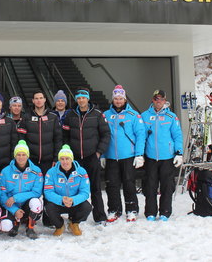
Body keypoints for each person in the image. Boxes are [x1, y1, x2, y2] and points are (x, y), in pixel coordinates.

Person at [62, 88, 110, 224]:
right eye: (78, 98)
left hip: (91, 156)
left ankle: (100, 217)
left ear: (87, 99)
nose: (81, 100)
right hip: (75, 159)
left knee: (95, 188)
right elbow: (65, 135)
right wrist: (68, 152)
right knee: (74, 188)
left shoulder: (97, 114)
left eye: (83, 98)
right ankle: (75, 217)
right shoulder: (70, 115)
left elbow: (106, 134)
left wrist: (99, 152)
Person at [103, 85, 145, 222]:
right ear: (113, 99)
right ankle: (114, 210)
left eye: (121, 98)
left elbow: (140, 135)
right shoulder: (106, 115)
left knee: (129, 184)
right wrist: (103, 155)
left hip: (128, 156)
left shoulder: (133, 115)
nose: (118, 101)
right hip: (111, 157)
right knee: (112, 185)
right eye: (116, 98)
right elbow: (101, 135)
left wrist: (139, 154)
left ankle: (131, 209)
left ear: (125, 99)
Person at [141, 90, 184, 221]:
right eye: (155, 99)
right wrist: (139, 154)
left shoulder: (171, 117)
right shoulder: (144, 116)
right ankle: (150, 212)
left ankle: (165, 212)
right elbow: (140, 136)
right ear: (152, 100)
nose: (158, 101)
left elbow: (177, 136)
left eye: (161, 99)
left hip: (167, 157)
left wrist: (179, 153)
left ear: (165, 101)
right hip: (150, 157)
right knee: (150, 186)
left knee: (167, 186)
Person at [43, 145, 92, 237]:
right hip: (60, 202)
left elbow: (85, 192)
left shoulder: (81, 172)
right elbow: (48, 192)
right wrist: (61, 199)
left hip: (74, 202)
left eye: (67, 158)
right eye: (62, 159)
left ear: (72, 159)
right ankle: (59, 226)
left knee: (87, 207)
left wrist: (73, 200)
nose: (65, 162)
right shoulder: (51, 172)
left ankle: (74, 223)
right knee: (48, 208)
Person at [0, 140, 43, 239]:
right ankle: (15, 223)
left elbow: (37, 192)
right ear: (14, 156)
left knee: (36, 203)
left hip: (26, 204)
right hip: (11, 205)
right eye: (18, 154)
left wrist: (16, 198)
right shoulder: (5, 172)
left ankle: (30, 227)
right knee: (5, 226)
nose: (21, 157)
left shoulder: (36, 171)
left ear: (27, 156)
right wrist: (14, 210)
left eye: (23, 154)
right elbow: (2, 194)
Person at [17, 91, 62, 175]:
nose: (39, 100)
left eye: (41, 98)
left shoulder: (53, 117)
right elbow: (21, 138)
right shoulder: (26, 117)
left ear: (45, 100)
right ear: (33, 101)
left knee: (47, 185)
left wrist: (56, 158)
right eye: (36, 98)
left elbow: (58, 139)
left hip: (48, 161)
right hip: (31, 160)